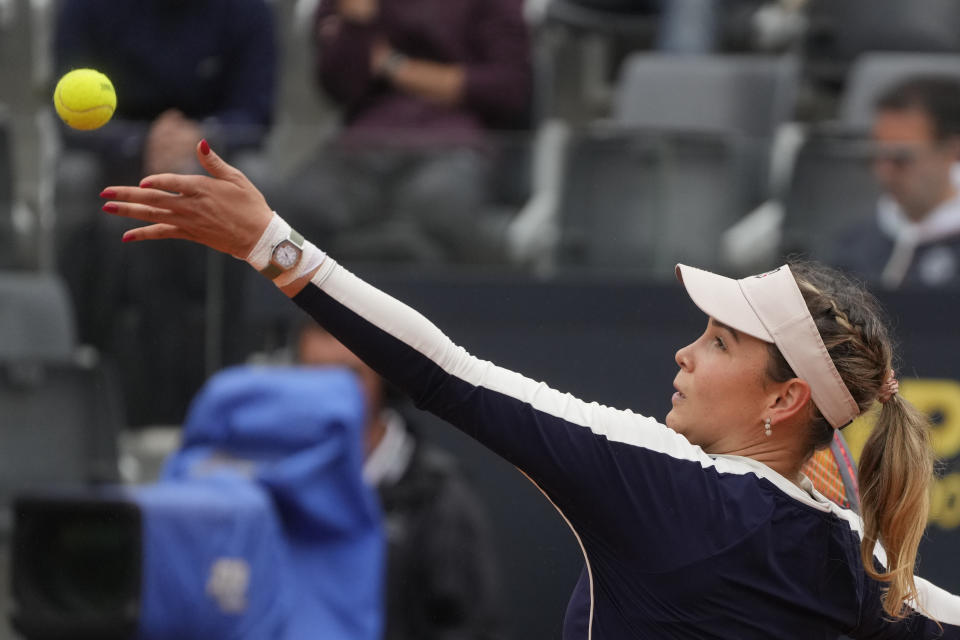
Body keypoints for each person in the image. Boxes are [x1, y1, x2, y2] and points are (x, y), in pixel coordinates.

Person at [100, 140, 960, 637]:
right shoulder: (864, 570)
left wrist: (274, 247)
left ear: (785, 401)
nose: (685, 354)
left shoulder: (677, 487)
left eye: (720, 341)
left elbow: (449, 374)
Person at [54, 0, 278, 424]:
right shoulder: (83, 7)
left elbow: (256, 114)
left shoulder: (248, 11)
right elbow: (67, 122)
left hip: (207, 155)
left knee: (261, 174)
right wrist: (140, 143)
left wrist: (199, 140)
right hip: (115, 155)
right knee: (72, 177)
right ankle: (72, 361)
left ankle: (243, 362)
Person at [261, 0, 532, 264]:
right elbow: (336, 87)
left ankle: (432, 307)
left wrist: (396, 67)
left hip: (453, 141)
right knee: (292, 212)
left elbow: (508, 89)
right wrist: (357, 22)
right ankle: (288, 308)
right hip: (362, 144)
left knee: (437, 208)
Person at [297, 322, 501, 639]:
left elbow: (470, 626)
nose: (331, 393)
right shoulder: (273, 487)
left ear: (383, 379)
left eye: (349, 375)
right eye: (316, 374)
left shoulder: (439, 495)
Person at [831, 75, 960, 289]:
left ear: (952, 150)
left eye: (901, 158)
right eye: (876, 155)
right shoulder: (857, 246)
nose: (883, 170)